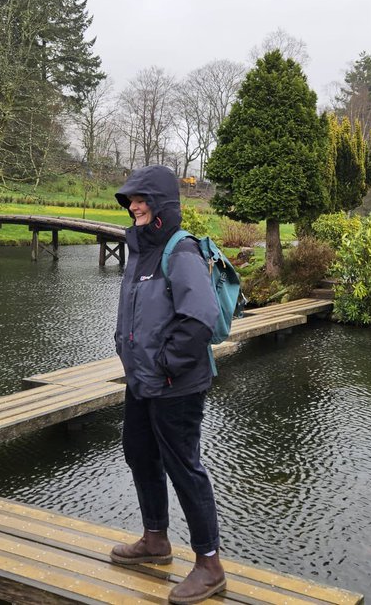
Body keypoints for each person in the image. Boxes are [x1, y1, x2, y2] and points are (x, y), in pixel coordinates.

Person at [110, 165, 226, 604]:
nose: (134, 206)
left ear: (161, 204)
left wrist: (164, 364)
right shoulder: (140, 249)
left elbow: (200, 318)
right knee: (139, 454)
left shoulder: (181, 251)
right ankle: (155, 540)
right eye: (130, 201)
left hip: (175, 384)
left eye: (141, 199)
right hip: (142, 379)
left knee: (184, 467)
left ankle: (210, 565)